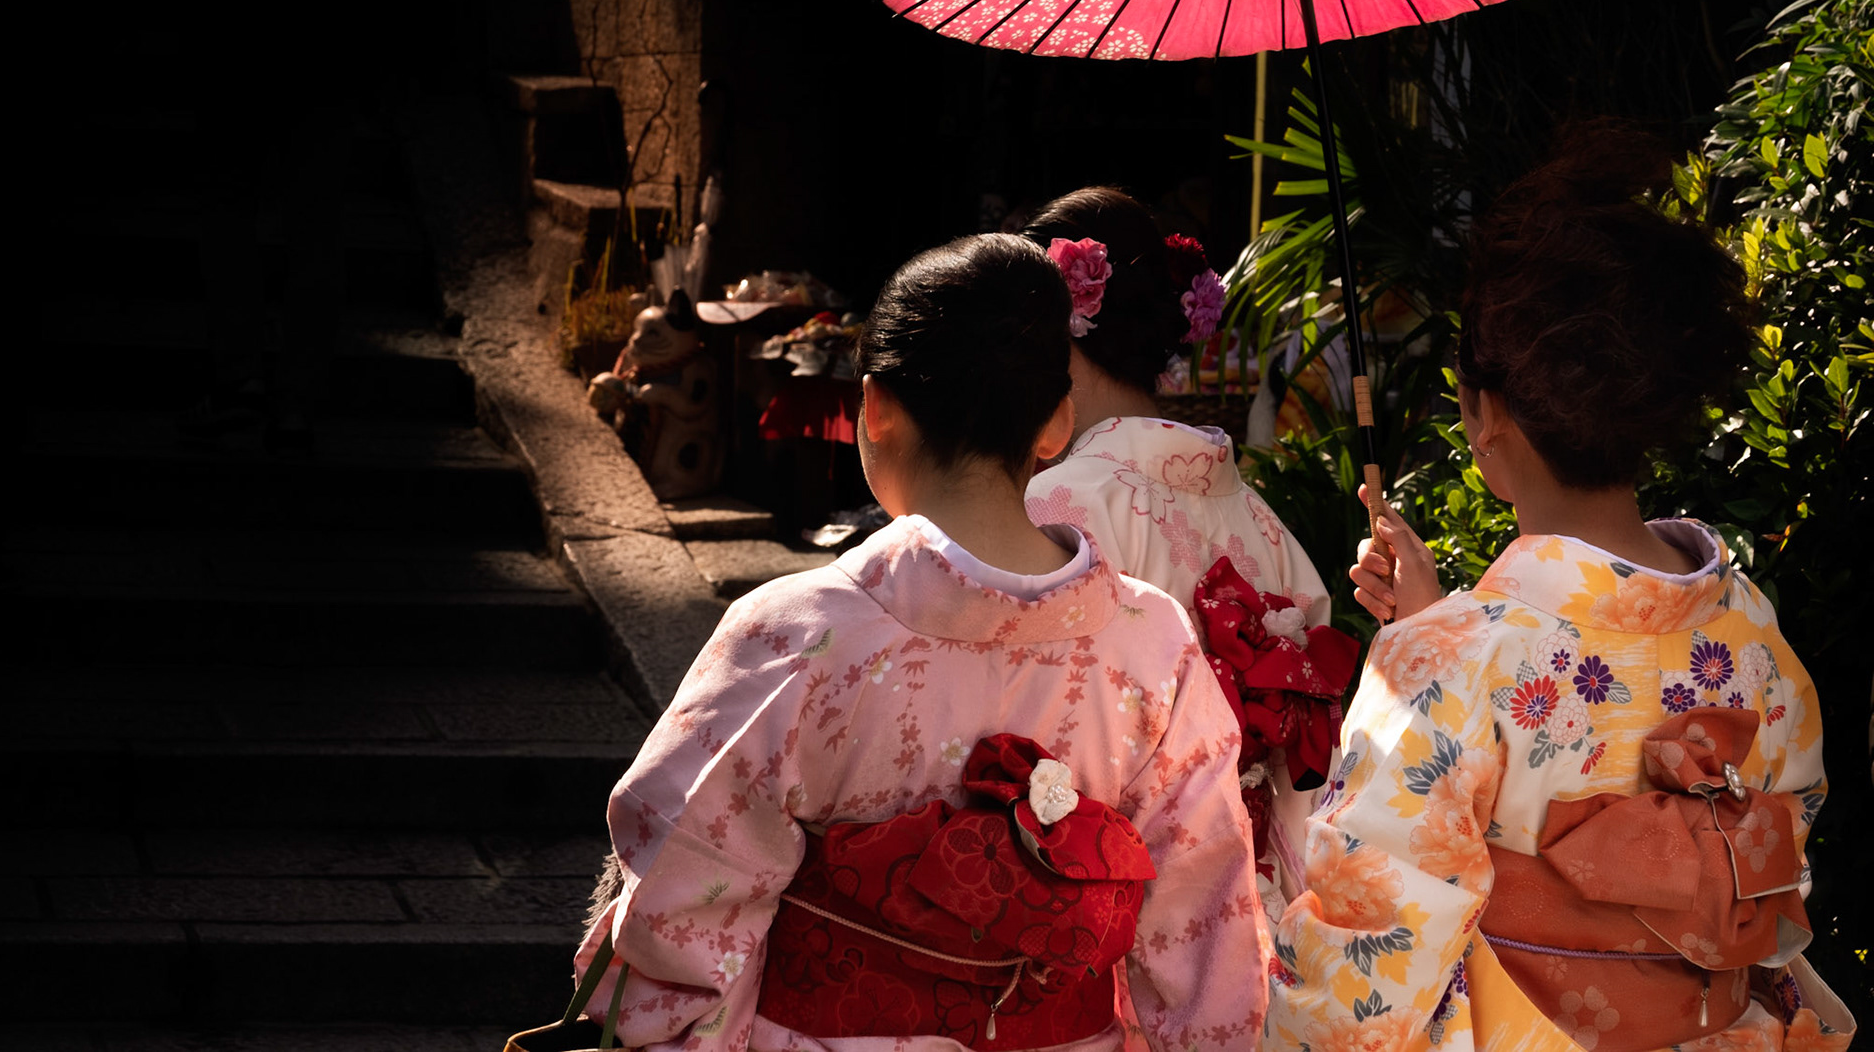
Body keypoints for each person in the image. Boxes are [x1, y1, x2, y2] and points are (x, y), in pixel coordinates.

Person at [575, 233, 1270, 1052]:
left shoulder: (798, 632)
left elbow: (678, 900)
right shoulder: (1152, 644)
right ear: (1056, 423)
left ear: (875, 408)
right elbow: (1206, 924)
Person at [1264, 126, 1852, 1052]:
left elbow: (1370, 953)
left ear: (1483, 416)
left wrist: (1433, 642)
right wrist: (1437, 623)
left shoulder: (1452, 658)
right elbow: (1785, 841)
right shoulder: (1749, 630)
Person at [1019, 187, 1348, 927]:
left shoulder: (1060, 507)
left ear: (1054, 330)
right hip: (1247, 881)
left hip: (1117, 876)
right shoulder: (1255, 514)